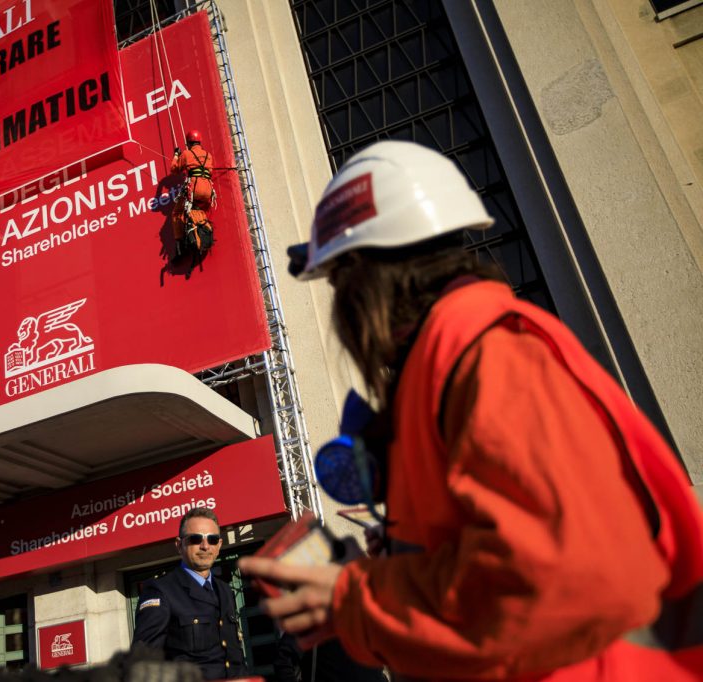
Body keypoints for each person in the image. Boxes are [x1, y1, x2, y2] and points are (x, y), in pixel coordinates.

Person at [239, 141, 703, 681]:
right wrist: (398, 566)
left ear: (366, 276)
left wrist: (359, 599)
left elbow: (557, 580)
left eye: (339, 283)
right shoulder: (450, 359)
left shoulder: (486, 354)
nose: (341, 312)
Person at [131, 507, 247, 679]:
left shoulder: (224, 590)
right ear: (179, 545)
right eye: (195, 538)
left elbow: (233, 656)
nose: (205, 546)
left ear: (219, 545)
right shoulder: (161, 591)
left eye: (213, 539)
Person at [170, 130, 215, 263]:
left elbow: (174, 169)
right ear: (199, 141)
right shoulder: (208, 155)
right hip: (208, 190)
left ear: (188, 143)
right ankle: (202, 234)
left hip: (194, 189)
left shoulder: (187, 153)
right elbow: (210, 171)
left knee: (177, 212)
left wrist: (176, 155)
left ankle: (180, 248)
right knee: (198, 211)